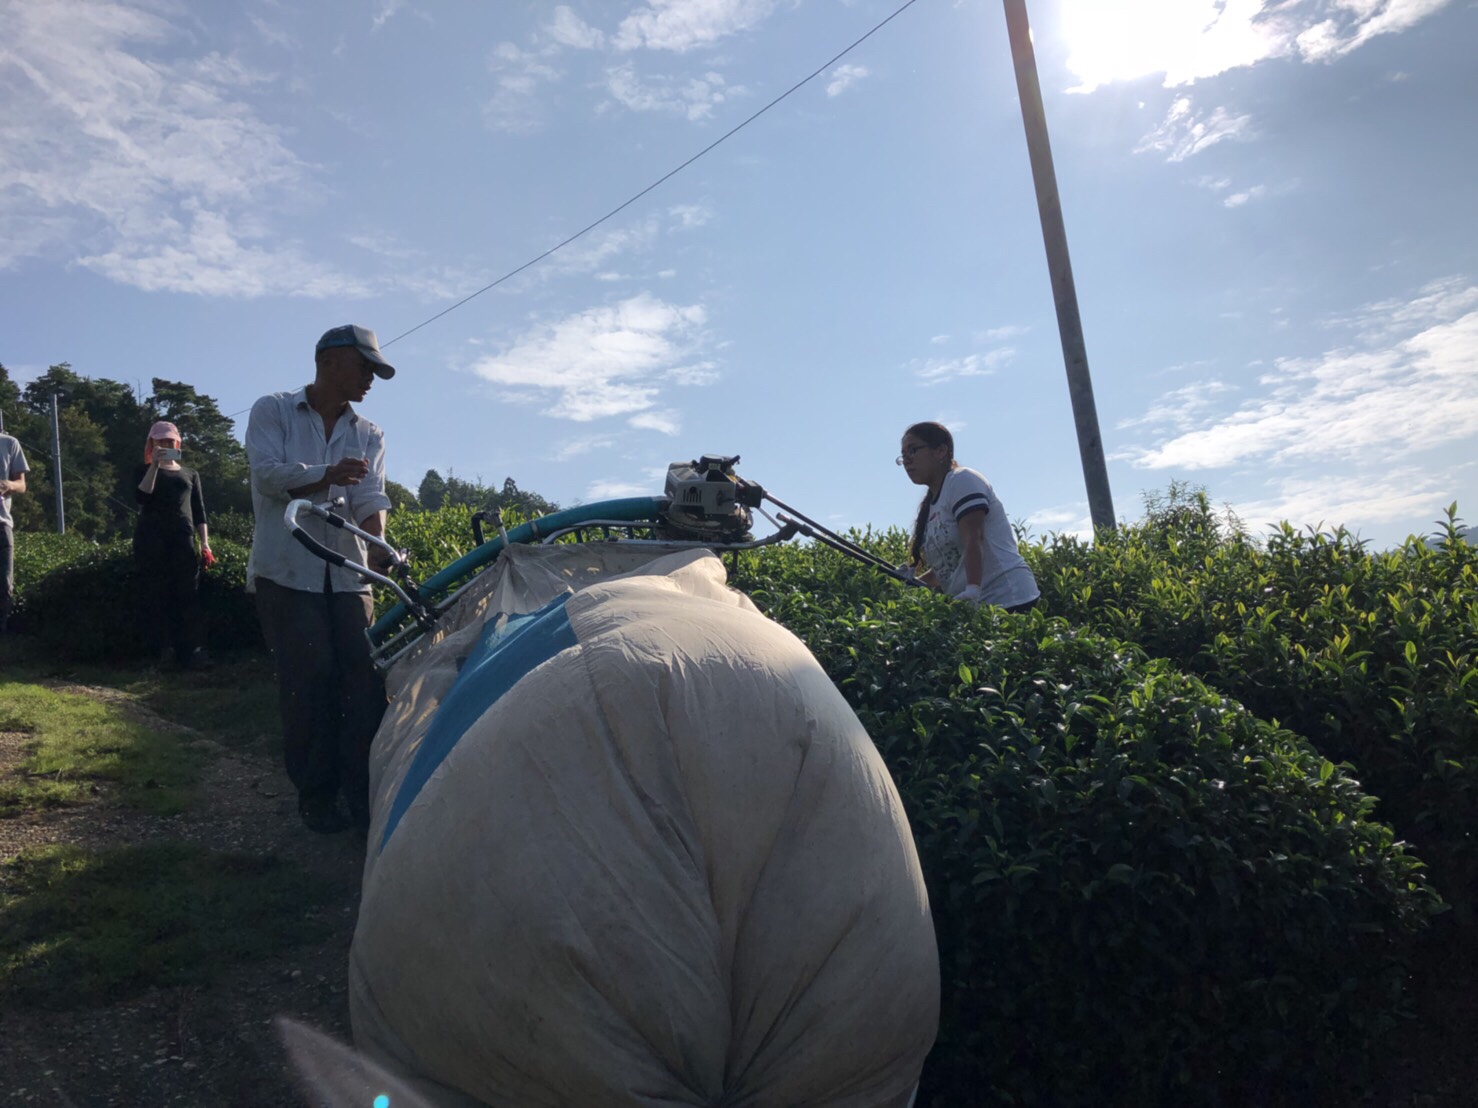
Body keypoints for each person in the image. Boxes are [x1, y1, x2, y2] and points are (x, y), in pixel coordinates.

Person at [246, 325, 395, 835]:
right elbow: (267, 476)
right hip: (287, 572)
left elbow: (370, 498)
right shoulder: (273, 411)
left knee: (365, 683)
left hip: (350, 575)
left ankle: (363, 795)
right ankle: (317, 796)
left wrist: (378, 546)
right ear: (328, 362)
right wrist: (327, 474)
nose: (370, 379)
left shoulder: (369, 433)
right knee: (309, 681)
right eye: (364, 367)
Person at [898, 421, 1039, 612]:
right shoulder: (932, 506)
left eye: (913, 450)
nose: (907, 460)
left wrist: (973, 589)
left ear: (940, 451)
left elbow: (974, 538)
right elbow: (950, 567)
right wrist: (910, 583)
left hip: (1010, 596)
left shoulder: (962, 480)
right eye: (903, 455)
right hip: (978, 605)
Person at [134, 421, 213, 669]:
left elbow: (199, 511)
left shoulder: (190, 473)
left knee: (188, 592)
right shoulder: (143, 470)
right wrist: (155, 465)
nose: (165, 444)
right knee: (156, 592)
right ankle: (163, 650)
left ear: (177, 443)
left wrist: (205, 544)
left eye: (170, 441)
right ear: (152, 443)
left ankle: (194, 650)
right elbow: (141, 497)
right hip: (151, 539)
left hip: (183, 538)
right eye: (160, 441)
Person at [0, 428, 30, 634]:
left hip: (2, 523)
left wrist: (7, 484)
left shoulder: (9, 443)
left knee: (4, 584)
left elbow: (21, 485)